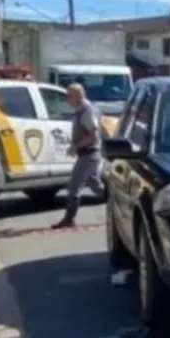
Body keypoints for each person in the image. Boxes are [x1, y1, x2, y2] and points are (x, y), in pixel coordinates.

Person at [52, 83, 106, 229]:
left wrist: (76, 146)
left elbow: (93, 135)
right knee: (95, 185)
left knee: (74, 186)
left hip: (89, 154)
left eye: (69, 95)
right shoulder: (81, 110)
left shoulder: (87, 111)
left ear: (77, 95)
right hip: (89, 153)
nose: (67, 98)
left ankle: (68, 219)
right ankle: (117, 201)